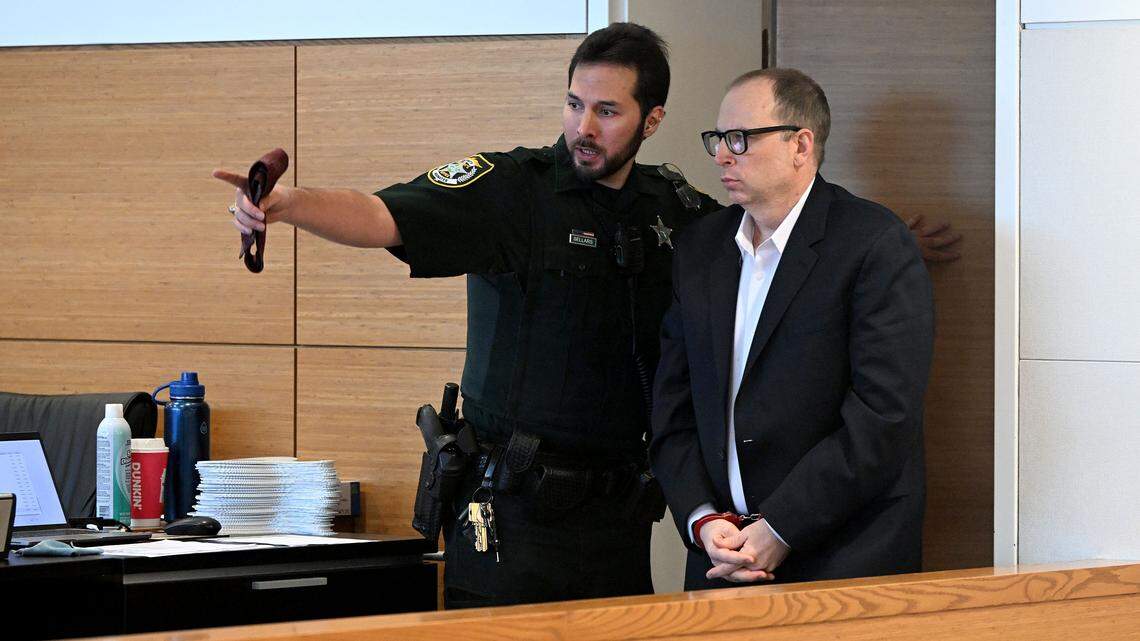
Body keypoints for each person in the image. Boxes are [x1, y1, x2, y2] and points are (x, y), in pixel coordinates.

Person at [217, 25, 954, 606]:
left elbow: (797, 247)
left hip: (617, 524)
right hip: (514, 517)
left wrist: (877, 242)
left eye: (606, 111)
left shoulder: (680, 215)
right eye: (574, 105)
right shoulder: (512, 190)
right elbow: (382, 214)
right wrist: (286, 207)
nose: (584, 127)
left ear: (651, 118)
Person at [649, 68, 935, 589]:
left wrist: (779, 528)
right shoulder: (700, 248)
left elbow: (884, 416)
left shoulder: (873, 244)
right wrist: (701, 518)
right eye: (717, 139)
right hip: (723, 556)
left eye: (740, 139)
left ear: (800, 144)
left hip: (845, 557)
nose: (721, 156)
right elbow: (673, 406)